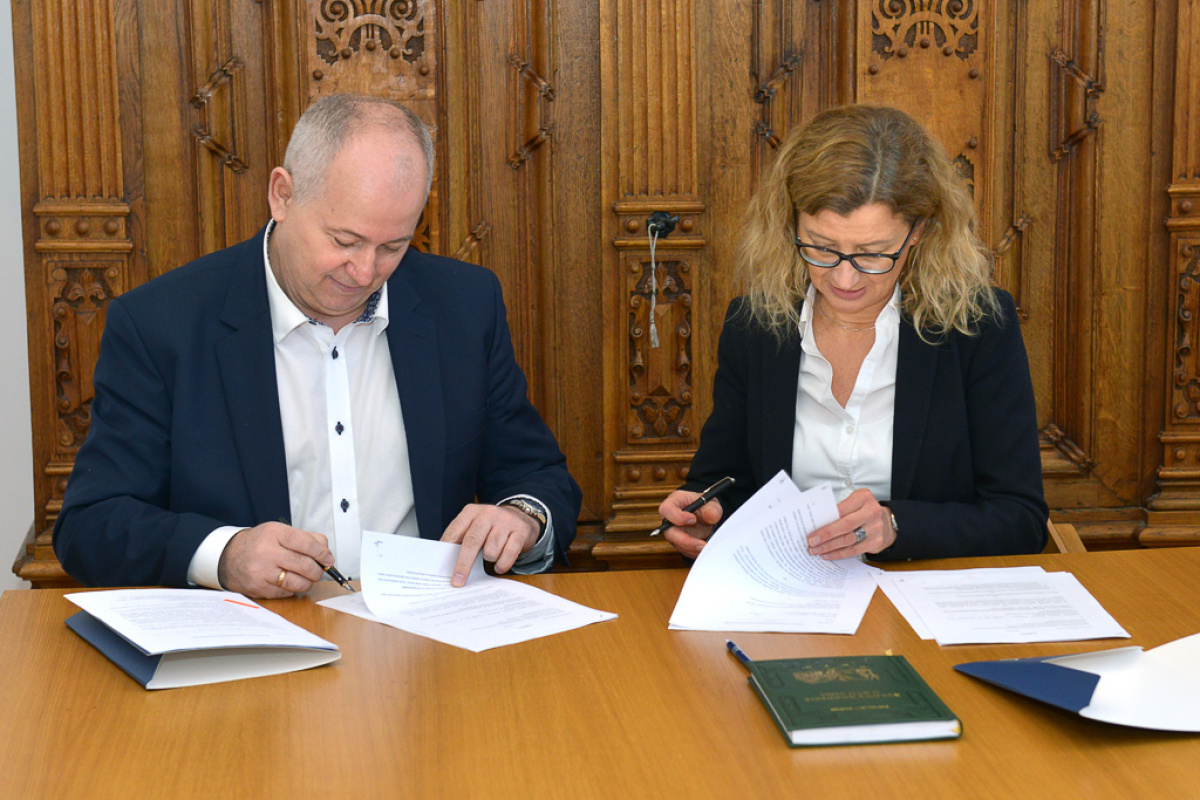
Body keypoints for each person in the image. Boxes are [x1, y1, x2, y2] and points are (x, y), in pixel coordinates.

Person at [54, 93, 581, 598]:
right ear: (282, 195)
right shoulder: (160, 325)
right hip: (257, 639)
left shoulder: (463, 306)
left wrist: (520, 518)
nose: (365, 272)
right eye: (344, 241)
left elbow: (535, 475)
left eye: (393, 246)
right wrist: (224, 555)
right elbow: (92, 524)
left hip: (426, 633)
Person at [658, 105, 1048, 562]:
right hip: (791, 591)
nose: (844, 279)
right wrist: (704, 515)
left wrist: (897, 525)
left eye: (873, 253)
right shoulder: (757, 326)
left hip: (921, 590)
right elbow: (726, 483)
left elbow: (1020, 518)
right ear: (791, 223)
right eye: (822, 248)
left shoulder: (977, 326)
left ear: (919, 231)